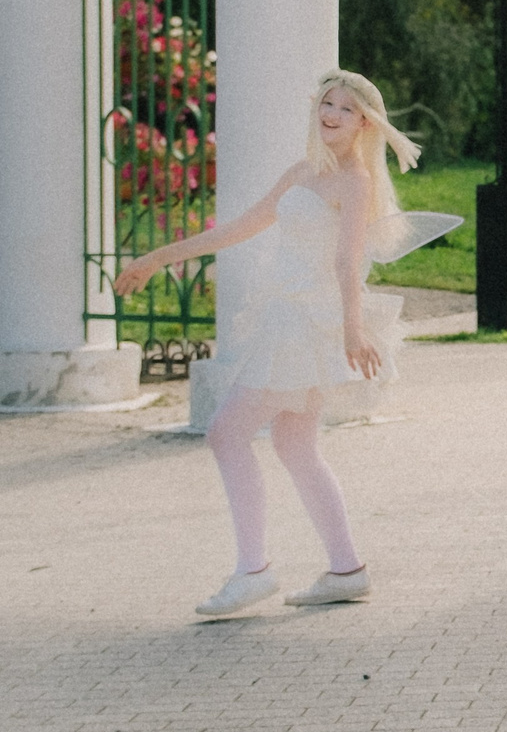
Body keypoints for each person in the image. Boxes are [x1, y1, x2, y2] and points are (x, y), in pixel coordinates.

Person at [113, 71, 457, 619]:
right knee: (296, 445)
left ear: (364, 123)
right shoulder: (303, 172)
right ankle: (347, 570)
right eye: (326, 102)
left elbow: (348, 261)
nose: (332, 113)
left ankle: (253, 571)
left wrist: (352, 328)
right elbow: (240, 227)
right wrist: (158, 257)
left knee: (227, 433)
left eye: (346, 108)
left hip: (304, 323)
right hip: (285, 316)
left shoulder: (354, 181)